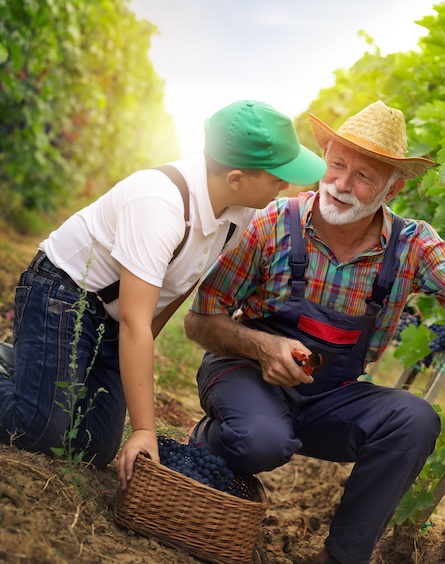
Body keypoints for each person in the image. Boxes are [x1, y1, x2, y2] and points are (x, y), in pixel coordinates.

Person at [183, 100, 445, 564]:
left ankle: (342, 558)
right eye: (337, 165)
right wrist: (261, 345)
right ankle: (215, 440)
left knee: (415, 420)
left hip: (327, 396)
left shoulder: (412, 246)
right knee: (262, 439)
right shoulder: (274, 223)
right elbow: (200, 318)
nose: (341, 185)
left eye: (364, 176)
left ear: (393, 187)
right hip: (246, 375)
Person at [0, 100, 327, 490]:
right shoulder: (159, 204)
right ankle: (22, 361)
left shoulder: (239, 212)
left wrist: (123, 353)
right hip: (63, 294)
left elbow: (181, 280)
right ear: (237, 178)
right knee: (38, 433)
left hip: (112, 314)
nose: (286, 186)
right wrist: (142, 429)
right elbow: (134, 321)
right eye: (278, 176)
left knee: (94, 447)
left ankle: (30, 363)